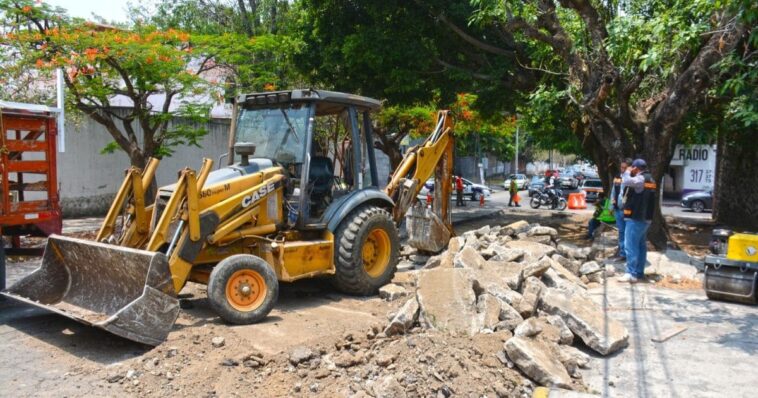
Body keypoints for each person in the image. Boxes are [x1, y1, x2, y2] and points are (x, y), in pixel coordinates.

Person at [618, 158, 657, 283]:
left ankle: (631, 273)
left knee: (630, 246)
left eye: (632, 167)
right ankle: (639, 272)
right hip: (646, 218)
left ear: (635, 168)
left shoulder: (640, 179)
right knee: (640, 246)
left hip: (636, 218)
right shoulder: (650, 178)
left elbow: (626, 181)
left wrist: (627, 171)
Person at [610, 158, 632, 261]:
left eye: (624, 168)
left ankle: (629, 254)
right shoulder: (617, 177)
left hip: (628, 210)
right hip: (618, 210)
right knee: (621, 232)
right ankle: (623, 254)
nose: (622, 169)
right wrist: (611, 207)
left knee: (629, 232)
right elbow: (613, 192)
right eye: (621, 167)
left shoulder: (633, 178)